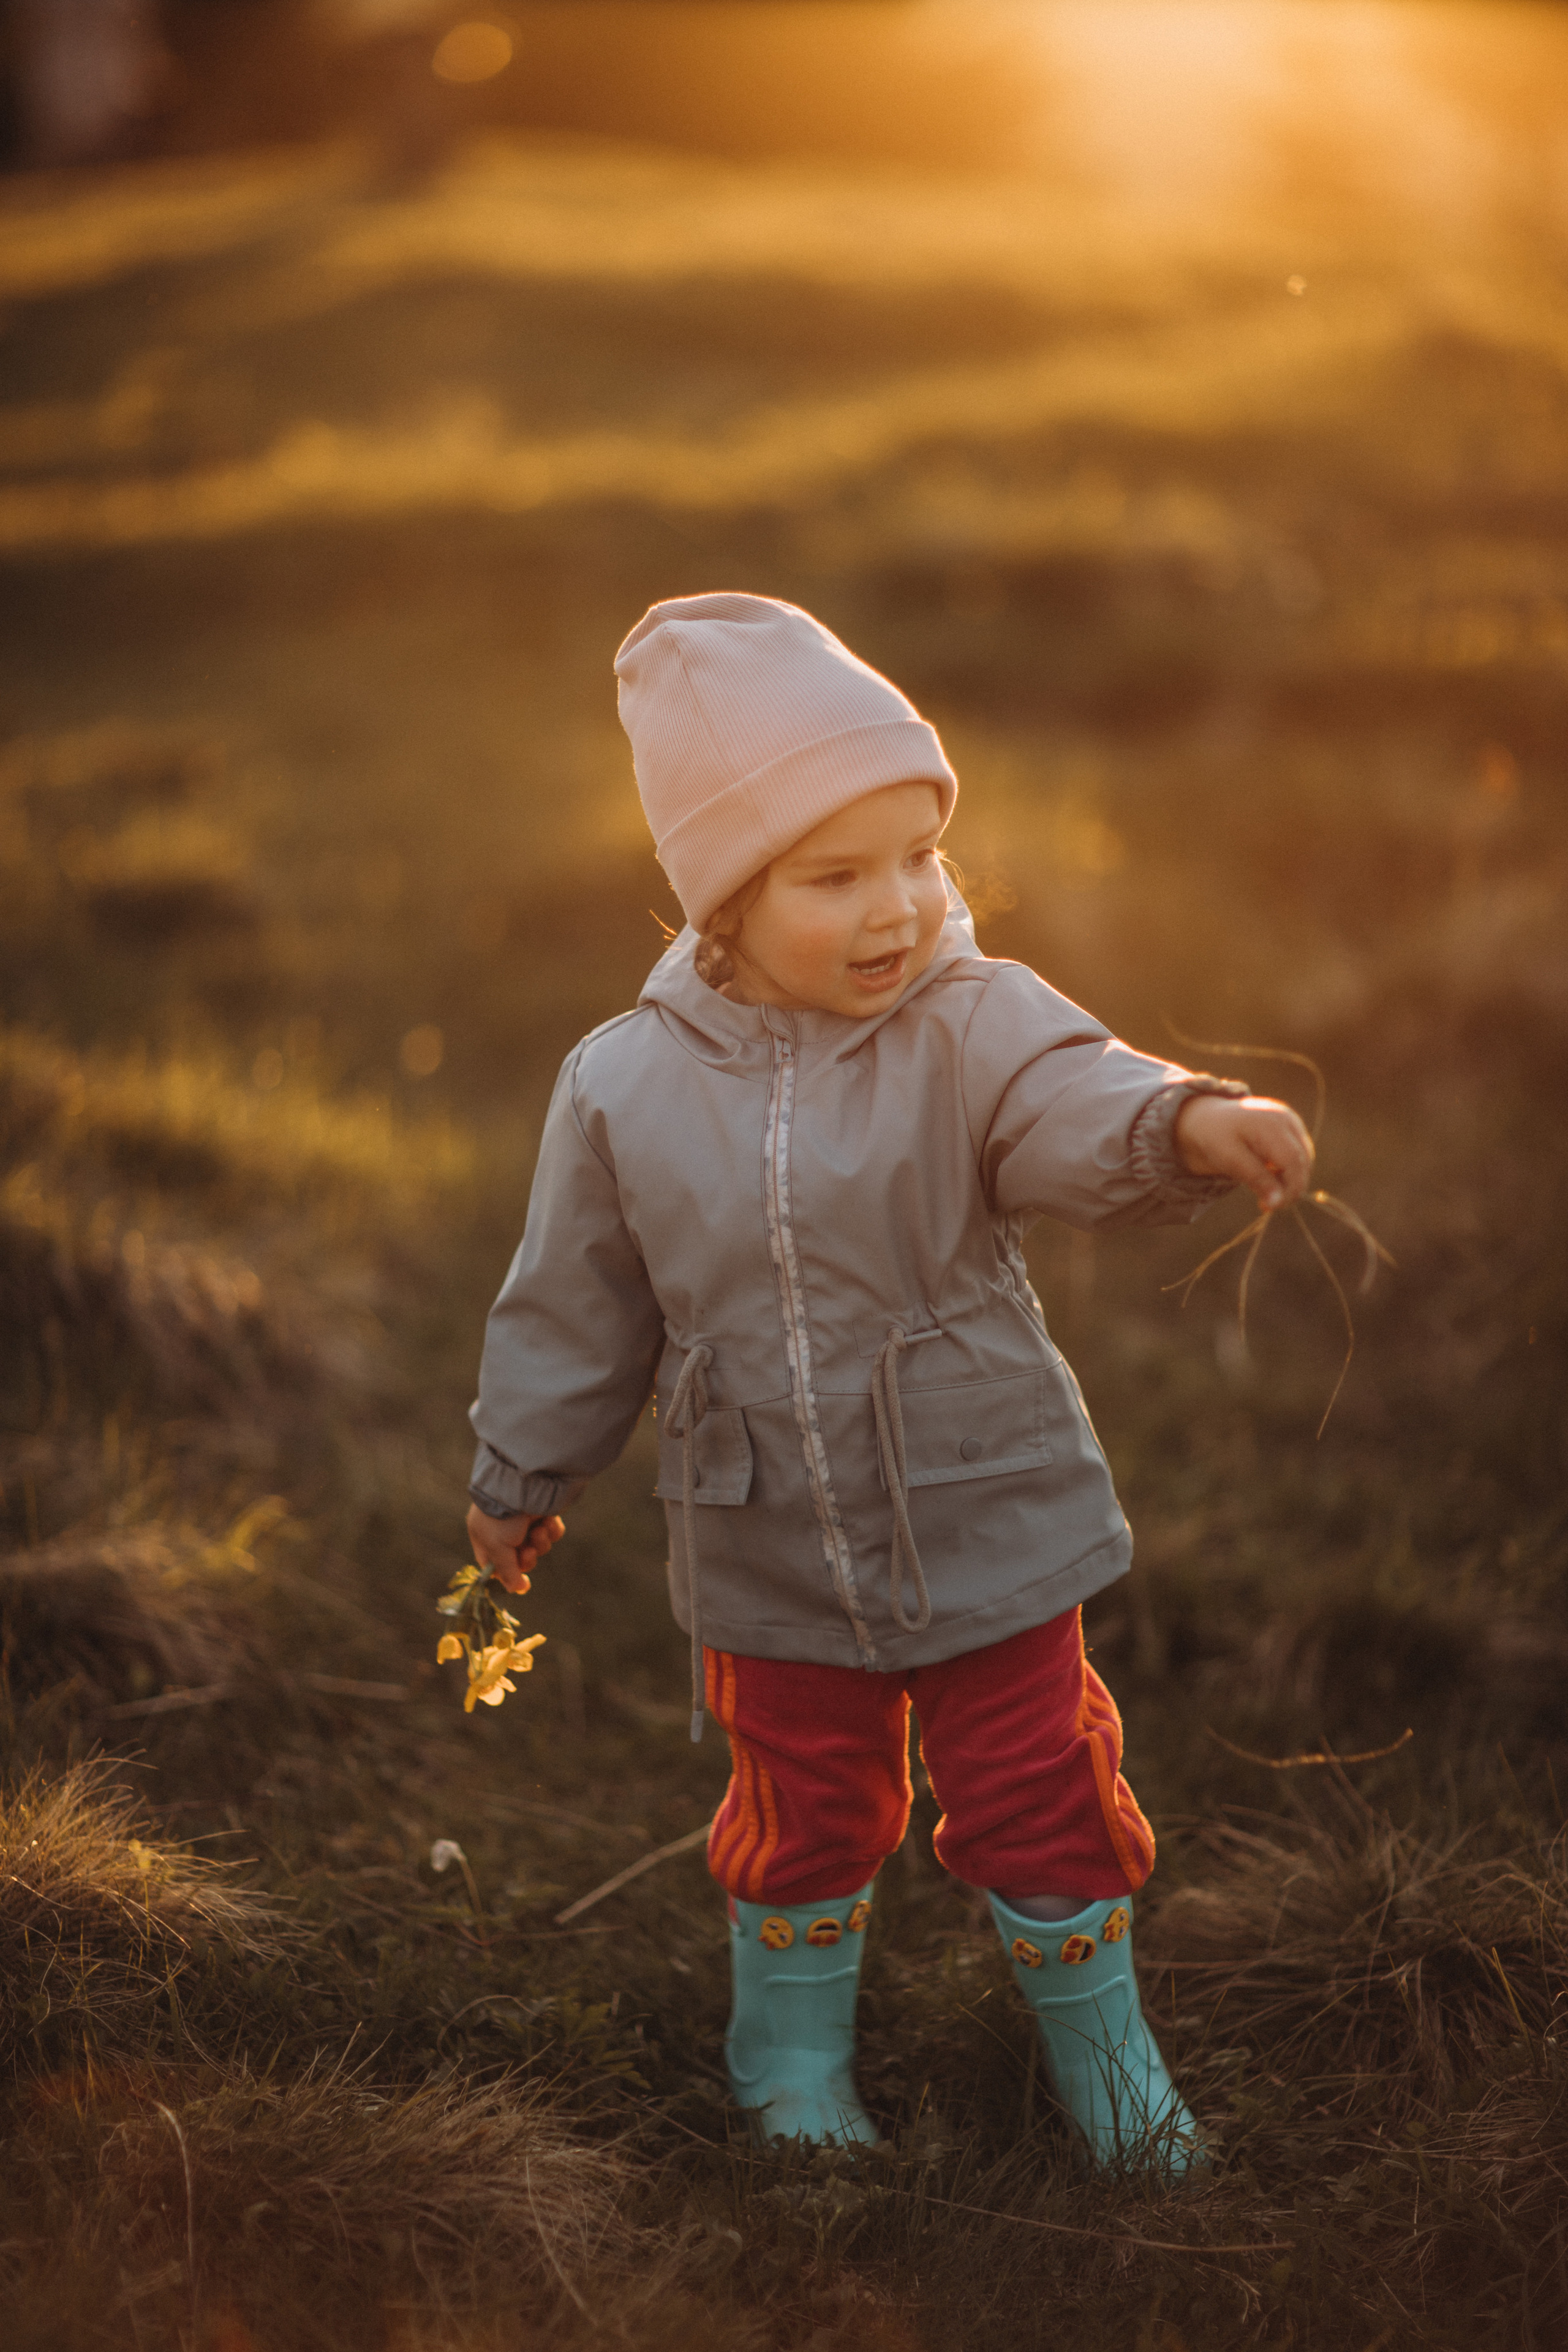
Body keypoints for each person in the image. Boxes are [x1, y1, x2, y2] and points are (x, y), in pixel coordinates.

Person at [465, 594, 1313, 2173]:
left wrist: (1185, 1123)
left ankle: (1107, 2062)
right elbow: (578, 1302)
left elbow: (1075, 1093)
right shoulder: (625, 1085)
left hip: (982, 1497)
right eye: (835, 877)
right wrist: (524, 1468)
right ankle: (790, 2061)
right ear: (721, 902)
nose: (898, 911)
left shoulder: (972, 1025)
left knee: (1041, 1778)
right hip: (766, 1527)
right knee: (802, 1803)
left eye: (919, 859)